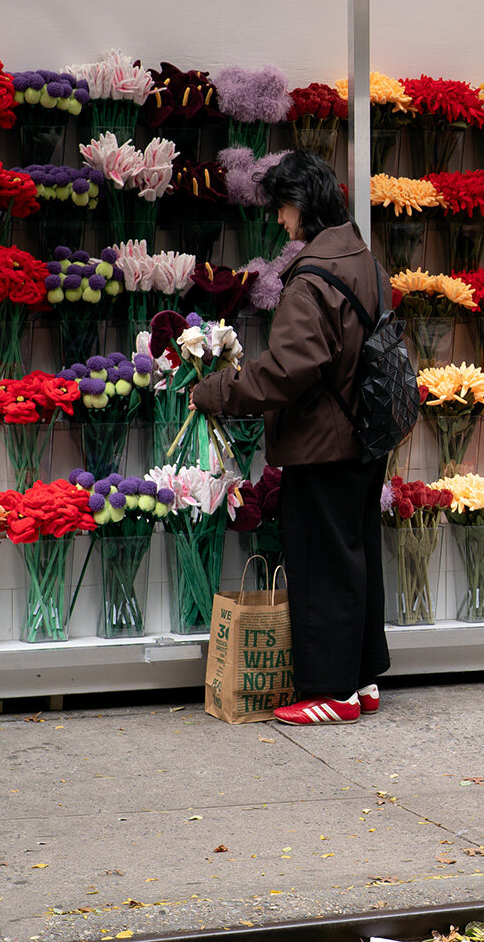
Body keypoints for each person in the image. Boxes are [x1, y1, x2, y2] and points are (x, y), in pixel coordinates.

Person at [191, 151, 392, 724]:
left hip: (322, 442)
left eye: (281, 208)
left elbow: (287, 369)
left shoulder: (311, 280)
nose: (279, 220)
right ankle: (362, 679)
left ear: (302, 205)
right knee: (356, 554)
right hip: (365, 433)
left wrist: (216, 390)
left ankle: (331, 692)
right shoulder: (363, 260)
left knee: (321, 564)